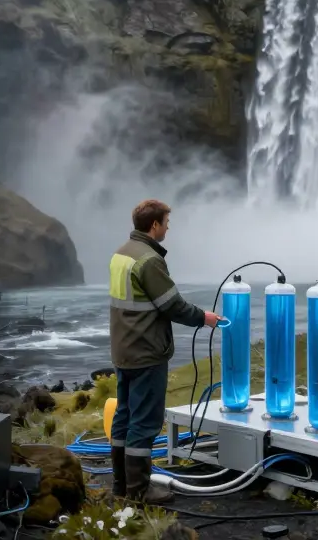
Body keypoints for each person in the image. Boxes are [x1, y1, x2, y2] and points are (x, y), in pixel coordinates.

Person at [108, 199, 220, 504]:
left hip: (123, 350)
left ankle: (120, 486)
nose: (169, 227)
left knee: (124, 416)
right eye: (166, 222)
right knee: (143, 421)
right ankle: (140, 491)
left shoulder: (121, 254)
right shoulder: (150, 260)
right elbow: (173, 305)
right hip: (146, 352)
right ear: (154, 225)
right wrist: (205, 318)